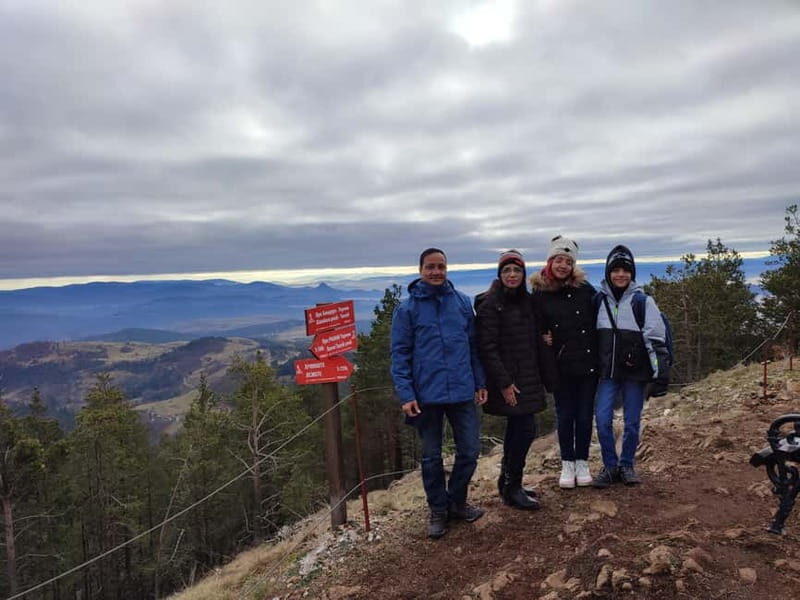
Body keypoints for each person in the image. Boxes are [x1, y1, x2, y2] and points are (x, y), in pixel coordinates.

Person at [391, 248, 488, 538]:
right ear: (421, 269)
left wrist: (480, 382)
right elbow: (399, 354)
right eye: (431, 267)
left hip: (461, 390)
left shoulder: (461, 303)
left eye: (441, 266)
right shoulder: (407, 310)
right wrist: (406, 394)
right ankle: (437, 510)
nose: (436, 272)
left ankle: (456, 502)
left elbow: (473, 348)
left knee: (470, 451)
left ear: (447, 269)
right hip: (425, 395)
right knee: (432, 457)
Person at [475, 250, 555, 510]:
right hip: (510, 380)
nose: (512, 275)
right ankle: (511, 487)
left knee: (520, 430)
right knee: (524, 430)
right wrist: (504, 383)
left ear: (522, 274)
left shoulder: (526, 302)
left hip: (528, 376)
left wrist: (545, 339)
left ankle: (509, 483)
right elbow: (487, 347)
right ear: (500, 274)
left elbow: (534, 333)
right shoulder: (491, 304)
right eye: (507, 270)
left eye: (517, 271)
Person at [592, 245, 667, 487]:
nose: (621, 274)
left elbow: (655, 340)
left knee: (632, 422)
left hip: (635, 374)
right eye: (616, 270)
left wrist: (659, 375)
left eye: (626, 270)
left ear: (632, 273)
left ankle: (627, 466)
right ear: (608, 273)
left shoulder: (642, 302)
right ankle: (610, 466)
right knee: (603, 420)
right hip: (608, 373)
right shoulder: (598, 301)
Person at [531, 236, 598, 489]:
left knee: (584, 415)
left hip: (588, 363)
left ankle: (582, 461)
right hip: (559, 367)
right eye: (558, 260)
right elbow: (535, 327)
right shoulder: (539, 294)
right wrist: (542, 338)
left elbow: (599, 318)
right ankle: (567, 462)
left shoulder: (585, 290)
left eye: (568, 262)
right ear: (550, 261)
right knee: (565, 415)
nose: (563, 265)